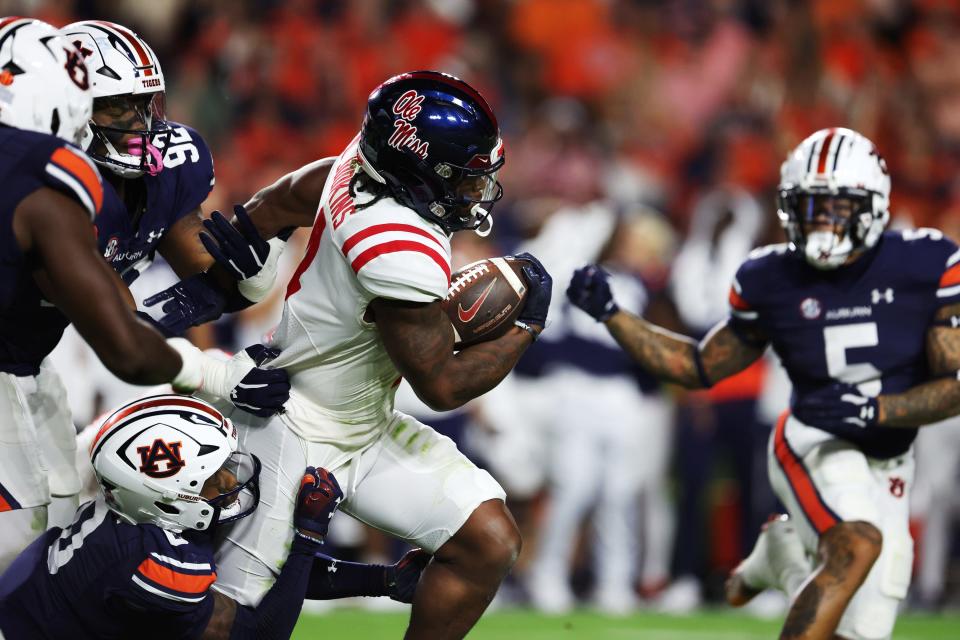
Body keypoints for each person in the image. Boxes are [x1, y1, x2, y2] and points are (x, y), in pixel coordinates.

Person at [183, 71, 552, 640]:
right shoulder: (395, 244)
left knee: (487, 541)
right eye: (467, 176)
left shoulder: (366, 164)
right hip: (293, 426)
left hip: (361, 420)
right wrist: (525, 325)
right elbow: (443, 385)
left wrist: (252, 242)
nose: (478, 191)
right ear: (424, 171)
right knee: (235, 618)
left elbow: (290, 195)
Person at [567, 127, 960, 640]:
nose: (820, 221)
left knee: (863, 627)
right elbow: (699, 365)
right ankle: (788, 558)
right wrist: (614, 314)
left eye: (835, 207)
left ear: (873, 206)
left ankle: (781, 560)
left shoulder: (925, 263)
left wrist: (876, 412)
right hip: (811, 438)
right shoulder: (771, 276)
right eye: (809, 206)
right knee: (857, 544)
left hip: (887, 453)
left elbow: (954, 384)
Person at [0, 17, 286, 573]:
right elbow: (127, 338)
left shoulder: (159, 166)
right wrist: (216, 374)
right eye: (115, 107)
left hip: (31, 361)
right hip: (18, 362)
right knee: (19, 541)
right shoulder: (44, 186)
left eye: (143, 103)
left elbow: (198, 269)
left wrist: (250, 276)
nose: (138, 122)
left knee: (59, 513)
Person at [0, 394, 426, 639]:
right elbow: (259, 631)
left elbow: (258, 575)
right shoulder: (150, 560)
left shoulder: (138, 518)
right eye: (212, 476)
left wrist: (381, 580)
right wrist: (309, 536)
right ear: (167, 498)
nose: (228, 480)